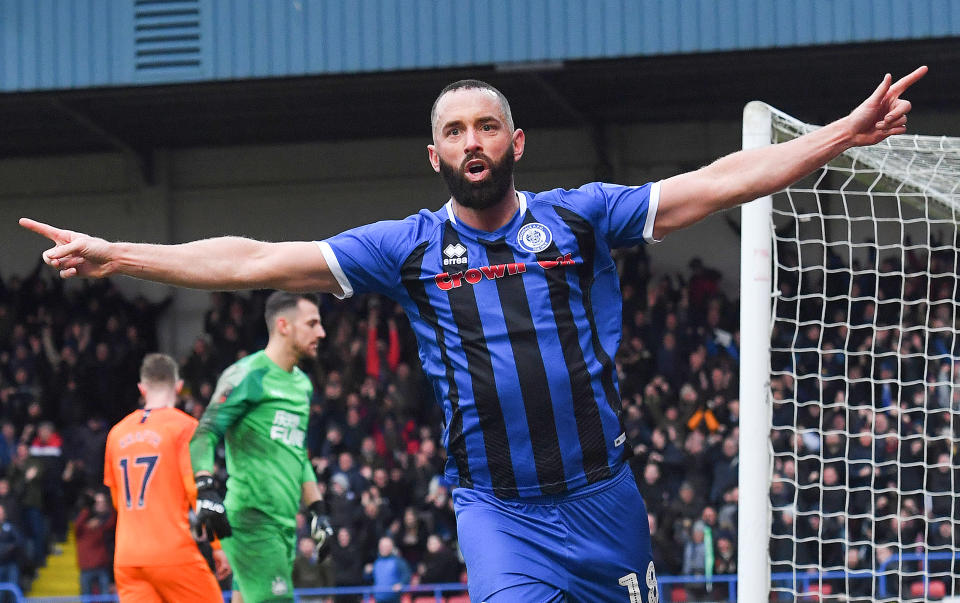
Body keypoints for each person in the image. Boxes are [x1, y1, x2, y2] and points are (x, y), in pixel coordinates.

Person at [22, 66, 926, 602]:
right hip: (499, 513)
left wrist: (838, 136)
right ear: (434, 155)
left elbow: (720, 179)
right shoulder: (407, 249)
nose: (471, 140)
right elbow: (255, 256)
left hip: (605, 498)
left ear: (517, 140)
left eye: (486, 124)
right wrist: (122, 254)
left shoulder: (579, 219)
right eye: (454, 131)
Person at [188, 291, 335, 603]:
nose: (321, 332)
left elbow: (298, 452)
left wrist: (318, 511)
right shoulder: (246, 375)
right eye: (312, 324)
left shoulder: (302, 384)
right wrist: (205, 488)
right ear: (283, 325)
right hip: (252, 519)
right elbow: (205, 433)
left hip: (282, 523)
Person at [103, 353, 230, 602]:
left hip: (128, 558)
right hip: (172, 552)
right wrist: (217, 547)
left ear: (142, 388)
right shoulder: (185, 427)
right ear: (179, 387)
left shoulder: (116, 434)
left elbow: (117, 501)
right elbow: (198, 492)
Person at [74, 489, 116, 596]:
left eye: (102, 503)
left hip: (102, 567)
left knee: (105, 597)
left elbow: (112, 520)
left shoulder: (103, 528)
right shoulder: (82, 530)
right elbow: (77, 525)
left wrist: (111, 505)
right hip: (86, 569)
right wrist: (87, 508)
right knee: (86, 597)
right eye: (97, 503)